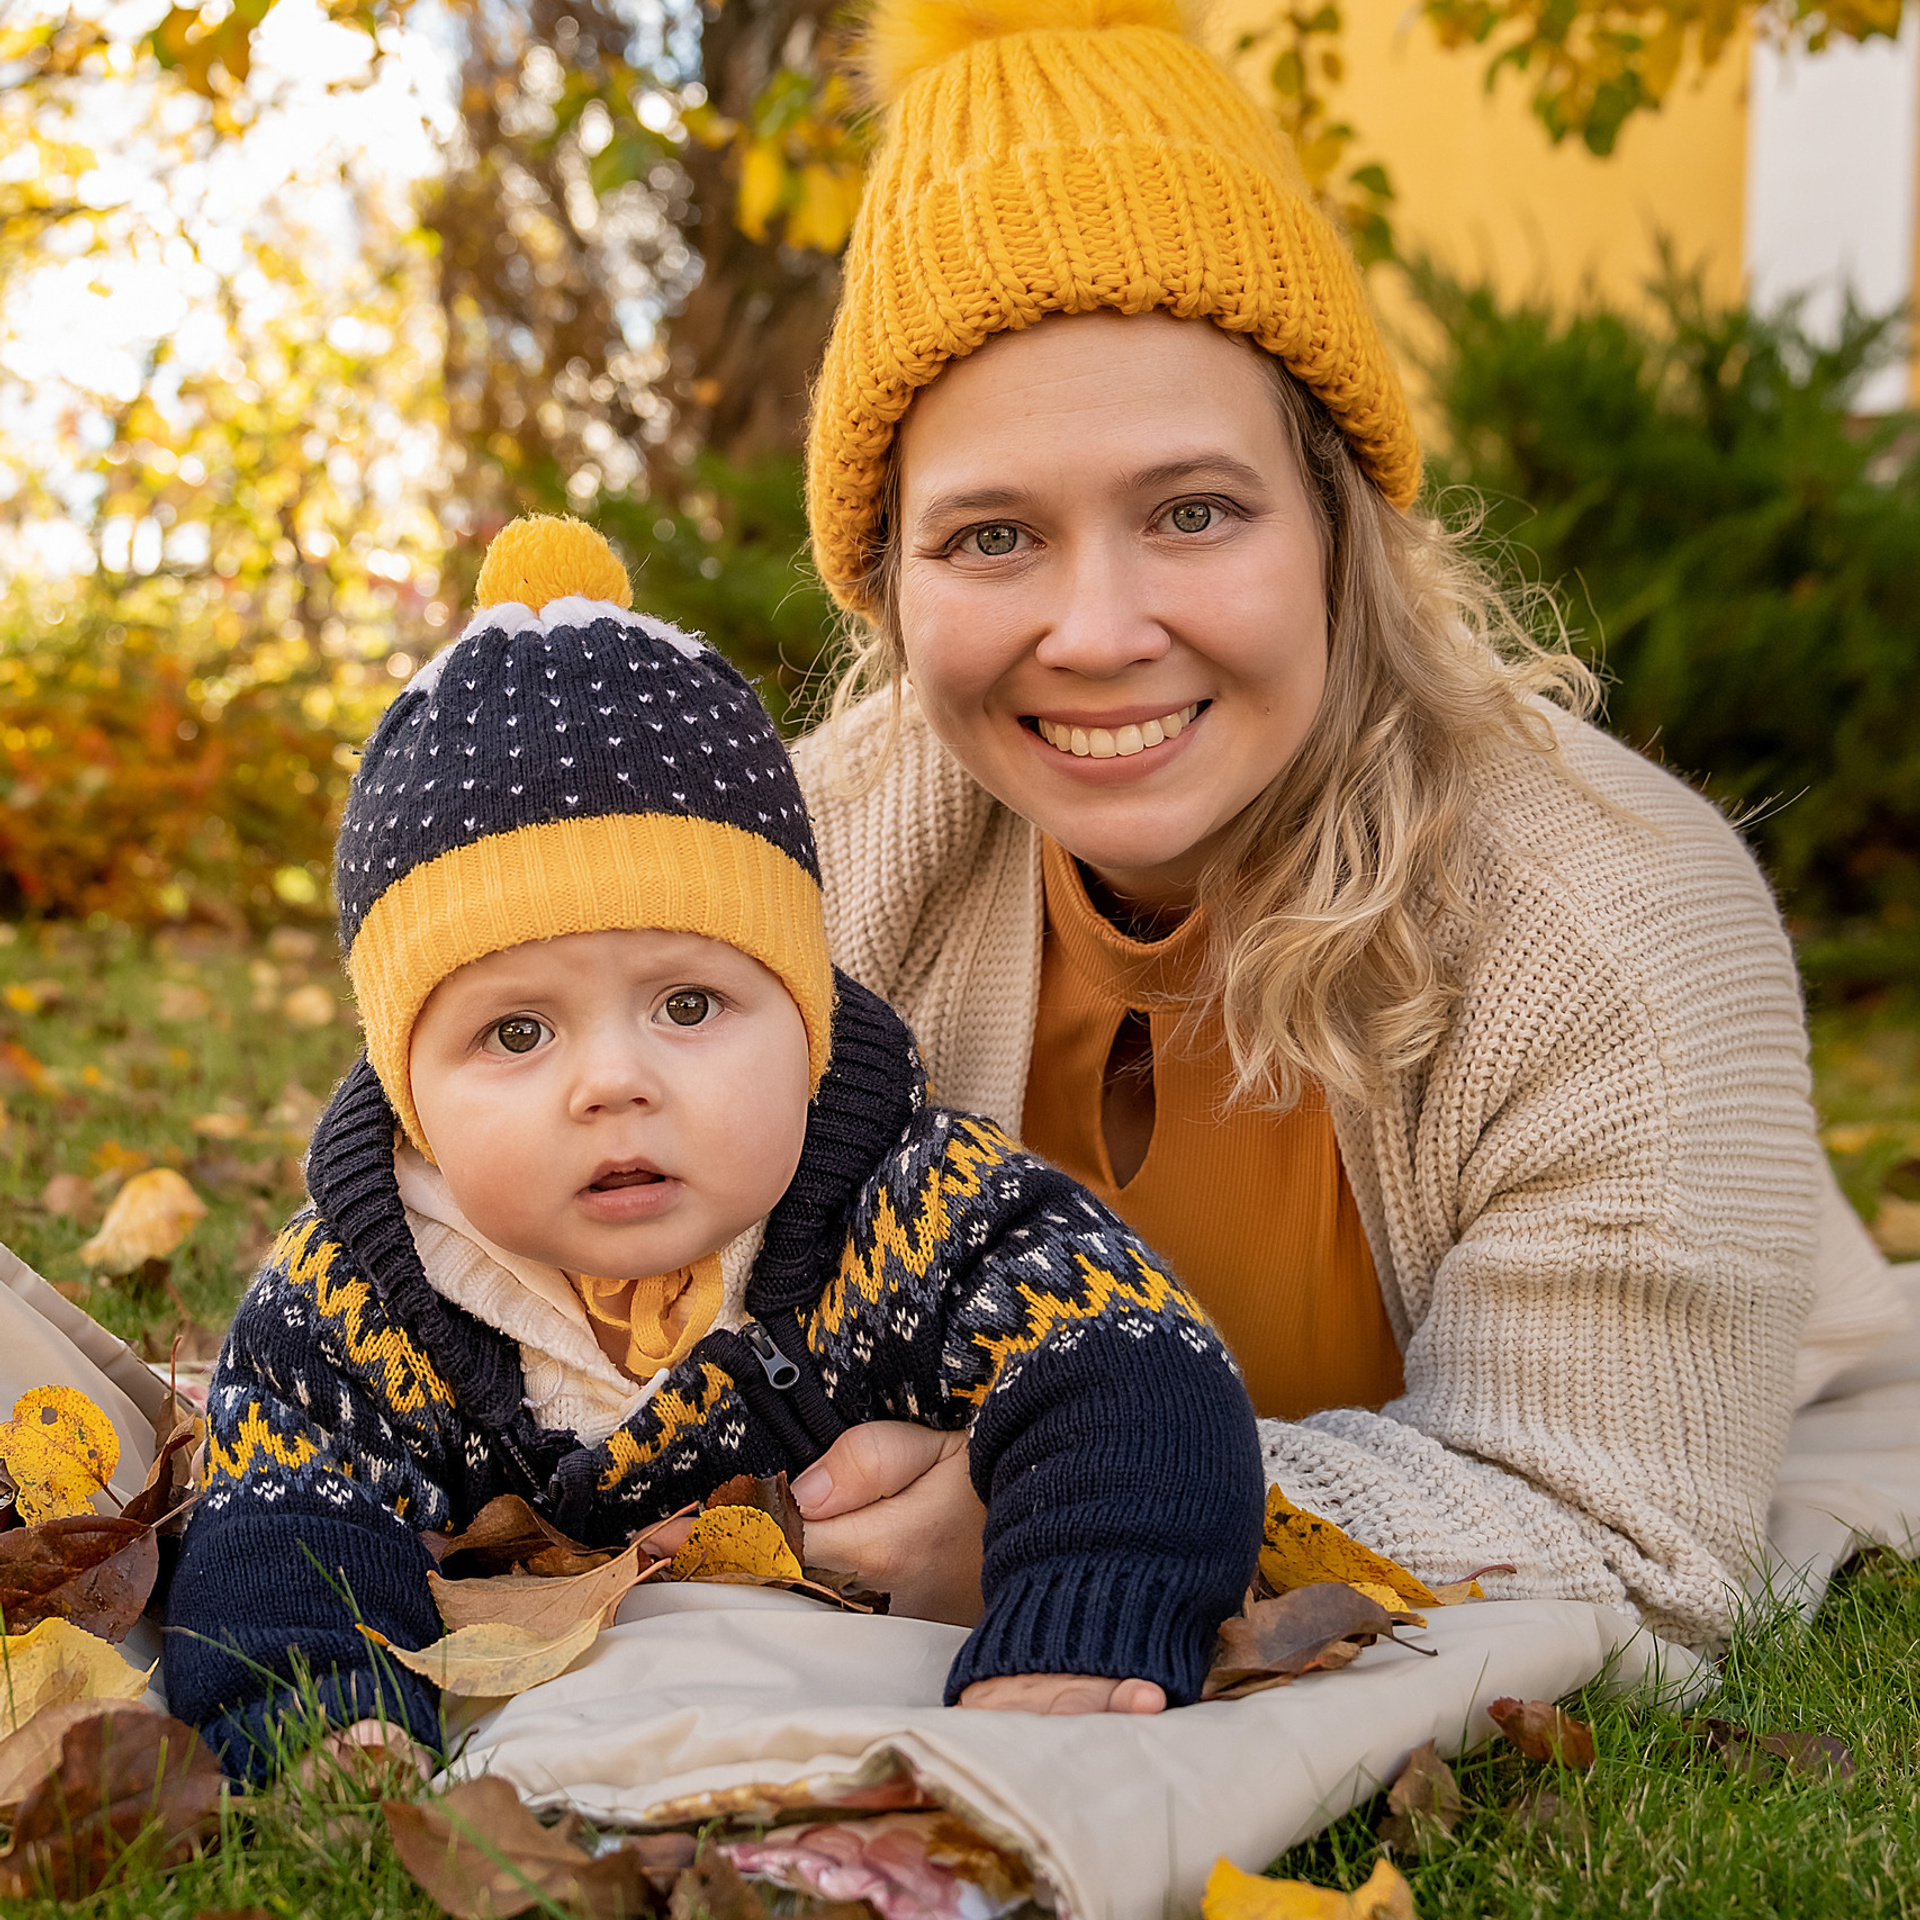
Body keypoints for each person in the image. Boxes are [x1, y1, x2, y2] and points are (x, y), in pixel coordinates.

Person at [780, 0, 1909, 1643]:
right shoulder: (815, 860)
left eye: (1193, 511)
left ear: (1337, 521)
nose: (1095, 630)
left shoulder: (1621, 918)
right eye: (993, 536)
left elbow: (1628, 1525)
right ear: (890, 583)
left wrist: (1099, 1517)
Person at [162, 514, 1263, 1781]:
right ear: (408, 1094)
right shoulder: (357, 1298)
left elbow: (1134, 1370)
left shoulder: (919, 1208)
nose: (615, 1082)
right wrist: (320, 1723)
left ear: (805, 1025)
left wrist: (1080, 1613)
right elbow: (287, 1514)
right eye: (516, 1031)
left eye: (690, 1006)